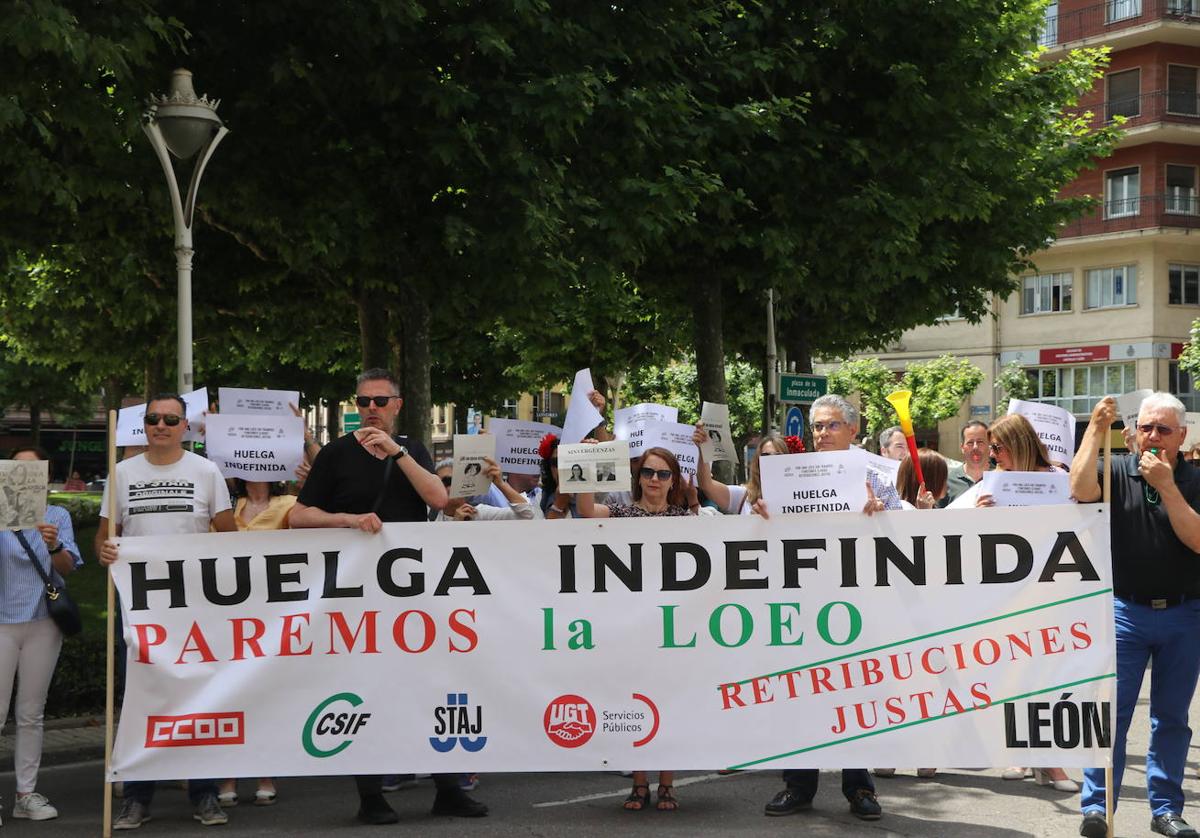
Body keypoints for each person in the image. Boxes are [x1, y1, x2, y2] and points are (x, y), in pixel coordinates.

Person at [288, 369, 486, 824]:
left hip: (412, 589)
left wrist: (397, 453)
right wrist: (347, 520)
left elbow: (439, 499)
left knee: (430, 682)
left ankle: (447, 788)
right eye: (363, 402)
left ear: (397, 405)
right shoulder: (336, 453)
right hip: (357, 591)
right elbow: (299, 515)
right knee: (365, 686)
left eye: (380, 401)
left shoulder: (413, 449)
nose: (371, 409)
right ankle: (370, 795)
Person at [97, 395, 237, 830]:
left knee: (199, 695)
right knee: (141, 696)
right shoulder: (121, 475)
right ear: (144, 424)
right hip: (140, 607)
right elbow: (106, 537)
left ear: (185, 426)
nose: (161, 425)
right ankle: (138, 797)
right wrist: (103, 550)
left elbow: (228, 536)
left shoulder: (206, 471)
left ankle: (206, 793)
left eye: (170, 419)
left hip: (195, 605)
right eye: (153, 419)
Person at [1071, 393, 1200, 838]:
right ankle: (1096, 806)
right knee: (1112, 715)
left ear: (1182, 436)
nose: (1153, 437)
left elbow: (1198, 540)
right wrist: (1094, 429)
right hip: (1125, 611)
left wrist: (1166, 485)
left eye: (1164, 430)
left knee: (1171, 718)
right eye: (1146, 427)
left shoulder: (1195, 479)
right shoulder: (1116, 468)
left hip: (1184, 613)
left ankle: (1165, 809)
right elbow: (1079, 489)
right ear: (1133, 431)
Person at [760, 394, 894, 821]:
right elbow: (773, 525)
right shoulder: (790, 474)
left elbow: (905, 530)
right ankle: (798, 786)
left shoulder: (875, 472)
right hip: (804, 601)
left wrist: (880, 512)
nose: (821, 433)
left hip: (857, 604)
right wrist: (762, 513)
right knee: (801, 690)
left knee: (854, 693)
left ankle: (859, 788)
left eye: (831, 425)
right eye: (817, 426)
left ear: (854, 430)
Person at [575, 447, 696, 812]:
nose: (654, 480)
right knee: (635, 701)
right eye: (647, 473)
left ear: (674, 479)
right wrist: (591, 464)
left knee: (670, 703)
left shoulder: (685, 520)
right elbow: (584, 511)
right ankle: (640, 784)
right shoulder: (621, 513)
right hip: (630, 628)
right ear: (637, 477)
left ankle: (668, 785)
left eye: (662, 474)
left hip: (673, 628)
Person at [0, 447, 82, 824]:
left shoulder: (57, 515)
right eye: (20, 467)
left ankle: (25, 794)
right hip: (2, 623)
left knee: (31, 714)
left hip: (44, 623)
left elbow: (68, 568)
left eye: (35, 468)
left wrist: (53, 544)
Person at [215, 478, 297, 808]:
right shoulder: (223, 506)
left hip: (272, 615)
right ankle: (228, 774)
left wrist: (304, 439)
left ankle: (265, 772)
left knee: (265, 694)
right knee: (230, 694)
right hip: (227, 612)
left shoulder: (291, 503)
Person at [875, 449, 947, 780]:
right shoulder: (903, 511)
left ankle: (894, 754)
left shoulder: (923, 511)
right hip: (913, 612)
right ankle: (918, 754)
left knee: (898, 682)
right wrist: (924, 516)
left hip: (901, 612)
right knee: (917, 683)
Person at [438, 458, 536, 521]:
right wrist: (454, 526)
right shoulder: (428, 517)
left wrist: (501, 484)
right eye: (438, 483)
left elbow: (527, 514)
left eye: (448, 481)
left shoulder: (480, 513)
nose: (444, 487)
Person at [941, 420, 989, 506]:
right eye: (970, 443)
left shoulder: (1000, 476)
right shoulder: (947, 481)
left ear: (989, 445)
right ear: (962, 447)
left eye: (980, 442)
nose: (975, 447)